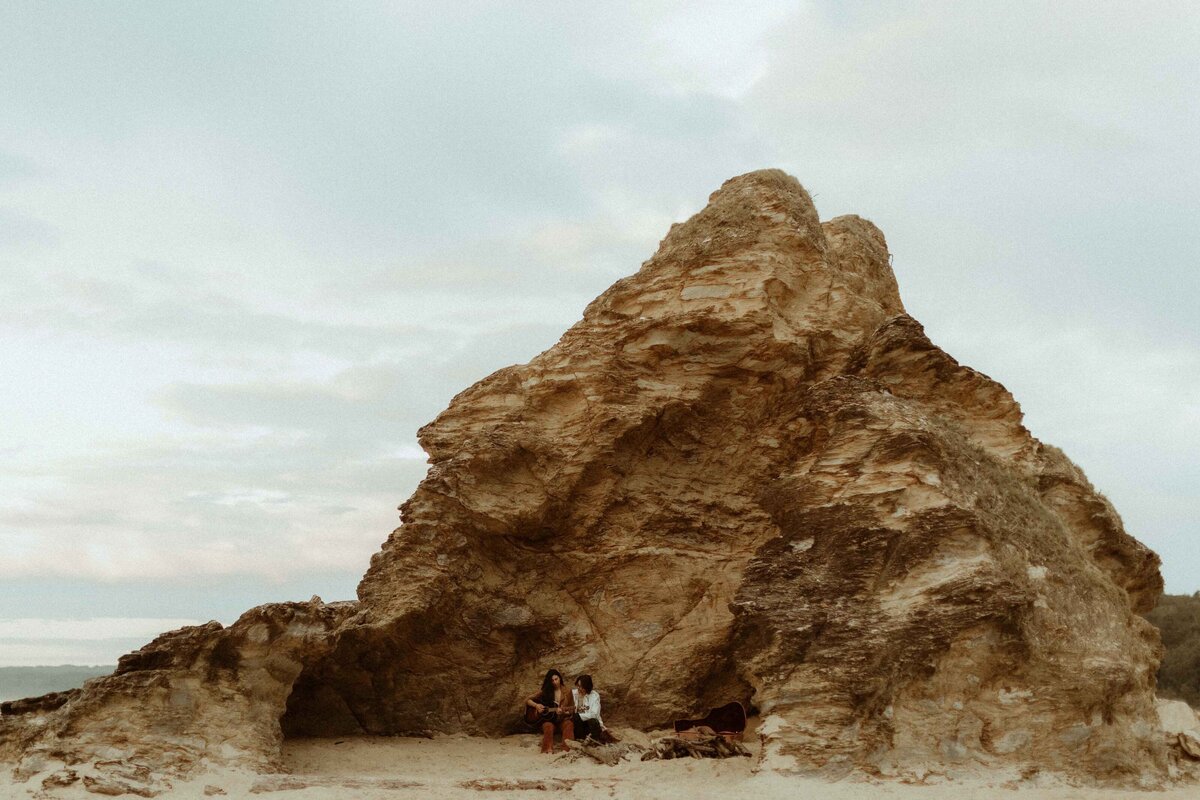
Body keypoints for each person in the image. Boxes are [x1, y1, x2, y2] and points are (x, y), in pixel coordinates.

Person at [525, 668, 574, 753]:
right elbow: (527, 700)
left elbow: (571, 710)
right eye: (552, 680)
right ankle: (547, 750)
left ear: (560, 678)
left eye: (556, 679)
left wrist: (564, 712)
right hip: (549, 720)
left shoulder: (568, 691)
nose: (555, 682)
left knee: (569, 724)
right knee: (548, 726)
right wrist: (536, 705)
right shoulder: (546, 691)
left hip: (562, 720)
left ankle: (567, 750)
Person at [571, 674, 606, 742]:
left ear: (586, 687)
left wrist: (580, 716)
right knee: (574, 718)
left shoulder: (594, 696)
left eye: (581, 687)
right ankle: (581, 739)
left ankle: (594, 739)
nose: (578, 688)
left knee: (593, 721)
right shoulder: (574, 693)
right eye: (578, 685)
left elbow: (594, 714)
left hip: (590, 724)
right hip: (579, 725)